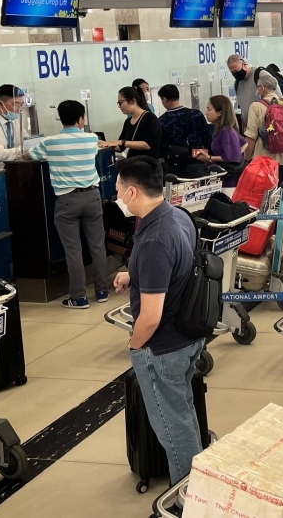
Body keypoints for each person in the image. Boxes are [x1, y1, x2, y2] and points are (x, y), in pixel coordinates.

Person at [111, 157, 206, 486]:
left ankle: (186, 496)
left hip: (163, 347)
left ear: (133, 192)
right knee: (183, 411)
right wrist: (132, 274)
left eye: (119, 190)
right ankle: (198, 482)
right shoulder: (177, 216)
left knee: (171, 426)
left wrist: (135, 347)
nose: (117, 196)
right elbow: (176, 266)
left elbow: (150, 317)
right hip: (189, 334)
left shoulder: (153, 241)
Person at [27, 100, 111, 309]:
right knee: (98, 246)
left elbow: (30, 156)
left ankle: (79, 297)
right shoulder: (91, 139)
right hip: (92, 197)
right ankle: (102, 291)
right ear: (81, 119)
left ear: (60, 118)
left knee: (73, 250)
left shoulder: (50, 142)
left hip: (67, 201)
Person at [194, 95, 243, 188]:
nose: (206, 113)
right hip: (222, 177)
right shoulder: (222, 130)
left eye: (209, 109)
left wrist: (210, 158)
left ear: (220, 112)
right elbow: (244, 144)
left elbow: (233, 157)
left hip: (228, 181)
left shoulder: (226, 131)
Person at [102, 86, 162, 159]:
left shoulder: (150, 118)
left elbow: (147, 145)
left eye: (121, 102)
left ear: (133, 101)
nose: (119, 106)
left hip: (148, 165)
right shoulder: (128, 122)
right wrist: (104, 145)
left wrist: (121, 142)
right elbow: (120, 148)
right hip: (133, 163)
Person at [157, 84, 212, 157]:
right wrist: (210, 156)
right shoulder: (196, 114)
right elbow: (207, 138)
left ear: (164, 99)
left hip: (174, 161)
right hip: (197, 158)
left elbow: (160, 144)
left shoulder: (162, 120)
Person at [227, 54, 258, 127]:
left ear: (244, 64)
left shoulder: (259, 75)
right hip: (249, 128)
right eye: (232, 72)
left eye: (236, 70)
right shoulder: (237, 83)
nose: (235, 74)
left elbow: (277, 98)